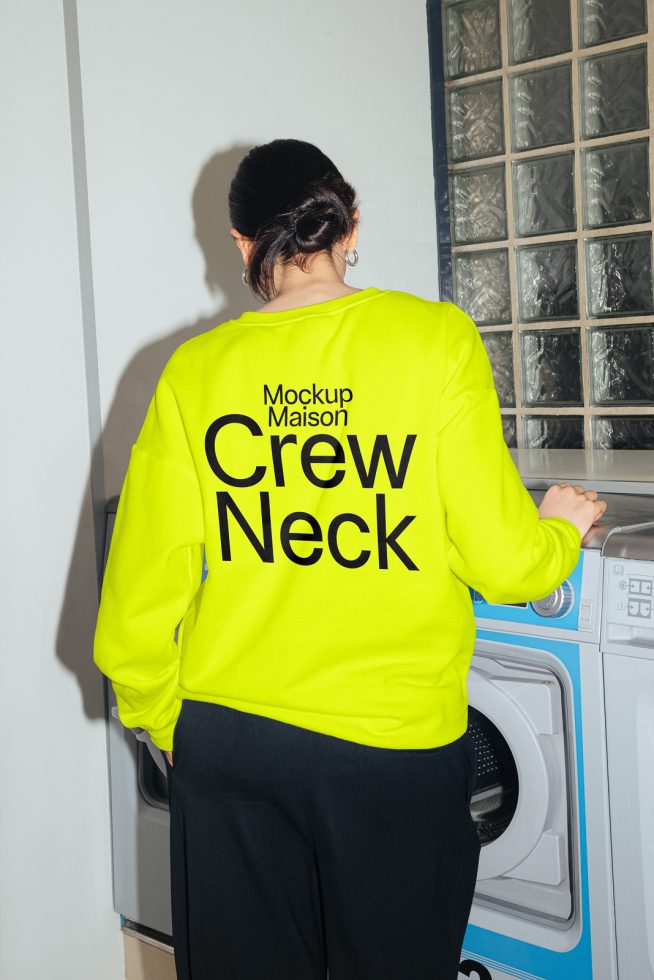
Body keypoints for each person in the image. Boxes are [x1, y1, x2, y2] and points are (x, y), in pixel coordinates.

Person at [93, 138, 606, 980]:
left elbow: (137, 606)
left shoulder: (195, 372)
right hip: (392, 761)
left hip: (231, 751)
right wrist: (558, 528)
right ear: (350, 224)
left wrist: (166, 719)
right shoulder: (433, 339)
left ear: (241, 242)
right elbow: (507, 565)